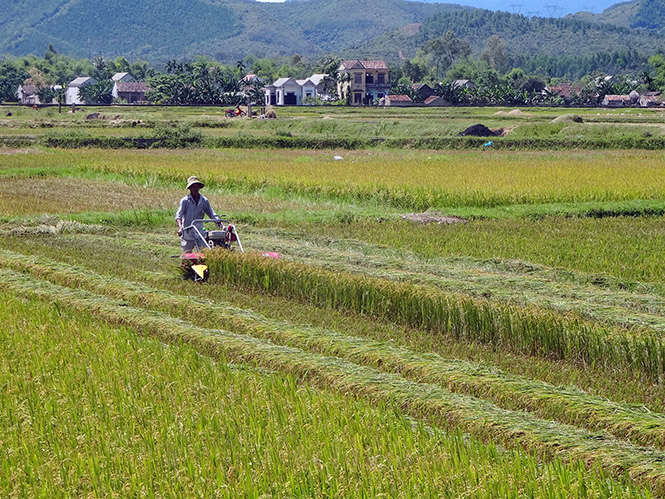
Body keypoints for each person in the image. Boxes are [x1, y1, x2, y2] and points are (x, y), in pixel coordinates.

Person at [175, 176, 220, 252]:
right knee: (187, 254)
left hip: (199, 231)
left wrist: (220, 223)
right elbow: (178, 216)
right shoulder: (185, 201)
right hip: (188, 231)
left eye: (196, 186)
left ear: (199, 187)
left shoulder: (204, 201)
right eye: (193, 187)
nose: (195, 189)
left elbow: (212, 214)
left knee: (204, 252)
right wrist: (180, 228)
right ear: (190, 188)